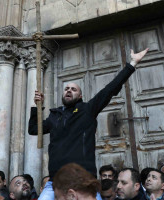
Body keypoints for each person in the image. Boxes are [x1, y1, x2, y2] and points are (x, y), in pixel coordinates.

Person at [29, 48, 149, 200]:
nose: (69, 91)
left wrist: (132, 63)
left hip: (84, 180)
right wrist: (37, 107)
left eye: (73, 89)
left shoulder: (88, 110)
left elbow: (110, 89)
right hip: (56, 182)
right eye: (66, 88)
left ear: (80, 95)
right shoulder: (55, 116)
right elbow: (33, 130)